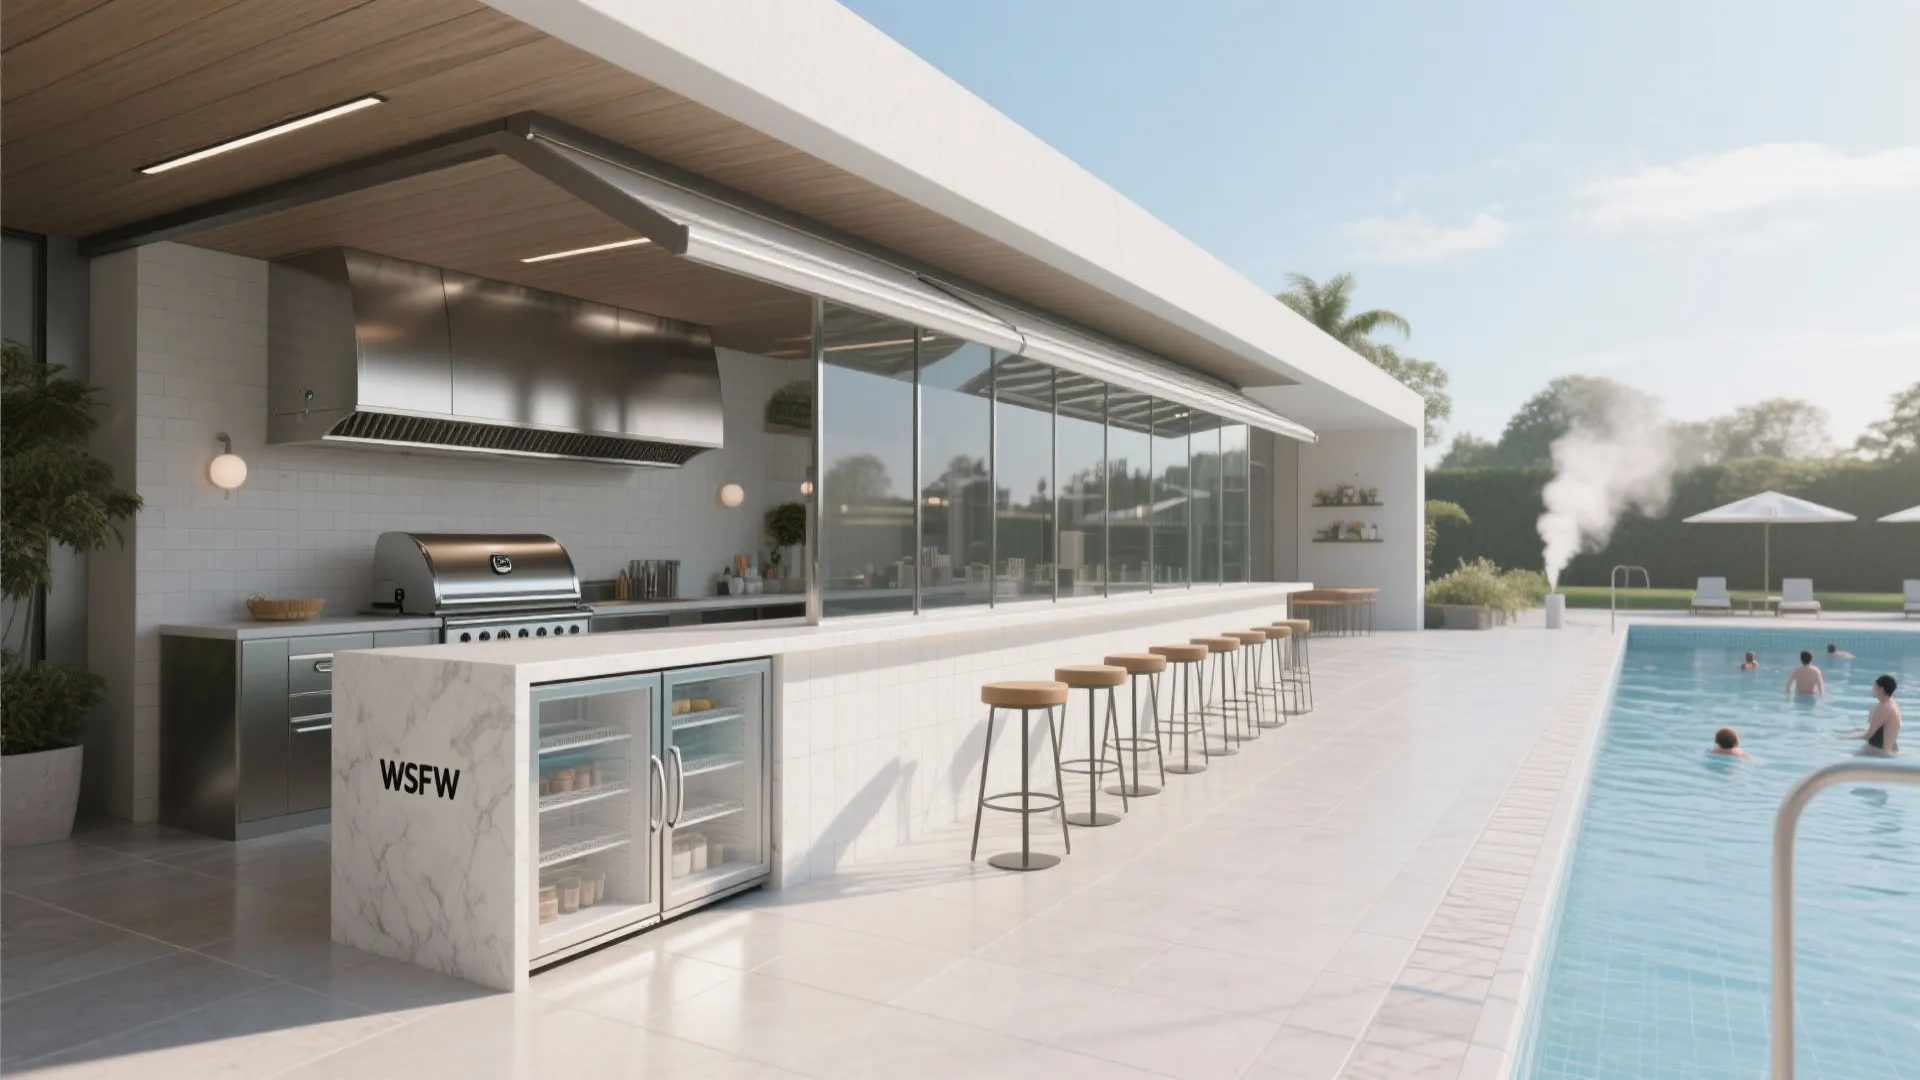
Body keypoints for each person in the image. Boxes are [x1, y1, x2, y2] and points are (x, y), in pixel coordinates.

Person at [1850, 675, 1902, 755]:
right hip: (1890, 748)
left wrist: (1848, 738)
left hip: (1882, 752)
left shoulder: (1885, 708)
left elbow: (1869, 735)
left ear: (1881, 689)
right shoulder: (1889, 703)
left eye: (1874, 687)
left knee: (1847, 753)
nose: (1872, 689)